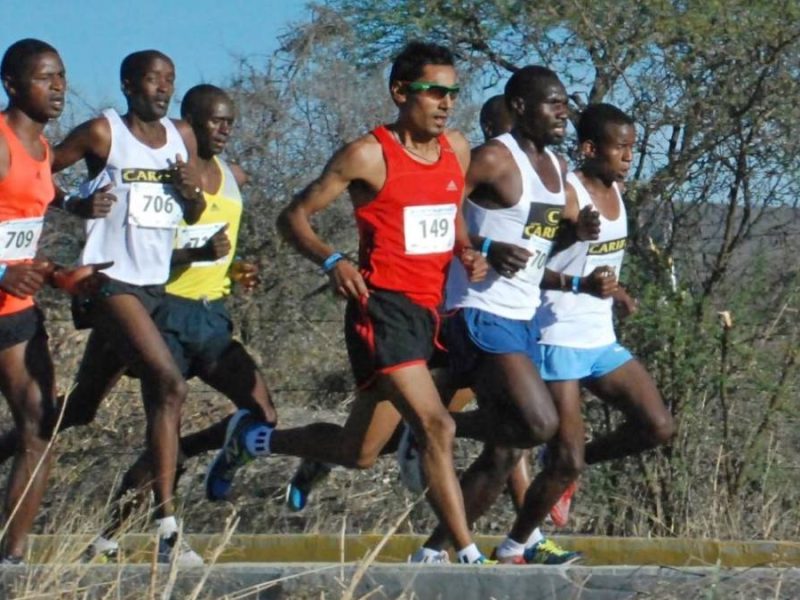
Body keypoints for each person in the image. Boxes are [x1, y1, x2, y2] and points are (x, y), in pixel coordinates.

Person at [204, 41, 495, 565]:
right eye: (435, 92)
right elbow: (292, 216)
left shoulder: (457, 147)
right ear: (401, 92)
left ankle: (253, 441)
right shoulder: (368, 154)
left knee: (358, 453)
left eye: (453, 93)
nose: (447, 103)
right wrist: (331, 260)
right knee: (437, 426)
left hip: (433, 310)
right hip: (382, 309)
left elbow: (448, 213)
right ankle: (463, 555)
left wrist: (466, 251)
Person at [406, 66, 613, 565]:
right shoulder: (495, 158)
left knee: (506, 450)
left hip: (523, 317)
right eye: (552, 103)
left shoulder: (558, 168)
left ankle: (432, 553)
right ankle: (430, 428)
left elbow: (543, 241)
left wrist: (576, 232)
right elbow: (433, 208)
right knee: (539, 424)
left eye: (566, 103)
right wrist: (481, 245)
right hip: (478, 310)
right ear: (520, 107)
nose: (563, 112)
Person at [77, 84, 277, 562]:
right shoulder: (162, 173)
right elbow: (140, 256)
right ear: (187, 122)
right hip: (163, 309)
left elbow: (221, 244)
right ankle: (111, 536)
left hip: (211, 315)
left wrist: (236, 267)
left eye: (230, 121)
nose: (224, 130)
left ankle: (185, 450)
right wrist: (192, 254)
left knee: (263, 413)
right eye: (215, 121)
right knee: (81, 410)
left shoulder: (234, 177)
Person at [489, 102, 675, 561]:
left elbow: (602, 264)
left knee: (658, 427)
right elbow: (533, 260)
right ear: (590, 148)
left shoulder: (618, 189)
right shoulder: (567, 193)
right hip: (556, 339)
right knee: (560, 456)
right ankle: (516, 545)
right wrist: (570, 240)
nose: (629, 156)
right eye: (621, 148)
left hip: (599, 338)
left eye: (633, 148)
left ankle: (568, 469)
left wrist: (618, 292)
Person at [50, 50, 206, 562]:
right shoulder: (103, 133)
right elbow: (36, 170)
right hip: (108, 282)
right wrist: (73, 203)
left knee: (76, 411)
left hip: (153, 286)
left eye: (170, 80)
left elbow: (193, 206)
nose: (162, 89)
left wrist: (192, 195)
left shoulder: (180, 138)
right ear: (128, 83)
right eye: (153, 79)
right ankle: (168, 527)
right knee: (169, 385)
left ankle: (100, 539)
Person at [0, 38, 109, 563]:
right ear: (13, 85)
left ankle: (10, 560)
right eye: (46, 77)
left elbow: (20, 241)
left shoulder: (42, 152)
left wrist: (59, 275)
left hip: (13, 315)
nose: (59, 87)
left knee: (39, 425)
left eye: (62, 76)